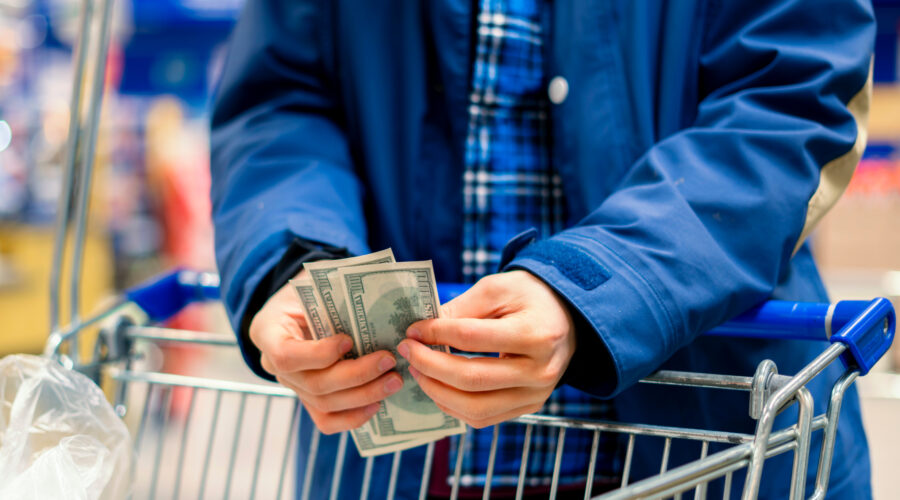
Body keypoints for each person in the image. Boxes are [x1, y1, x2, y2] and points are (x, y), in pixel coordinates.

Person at [209, 1, 875, 498]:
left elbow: (792, 106)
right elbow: (280, 99)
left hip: (713, 448)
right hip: (402, 465)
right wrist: (292, 259)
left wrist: (591, 288)